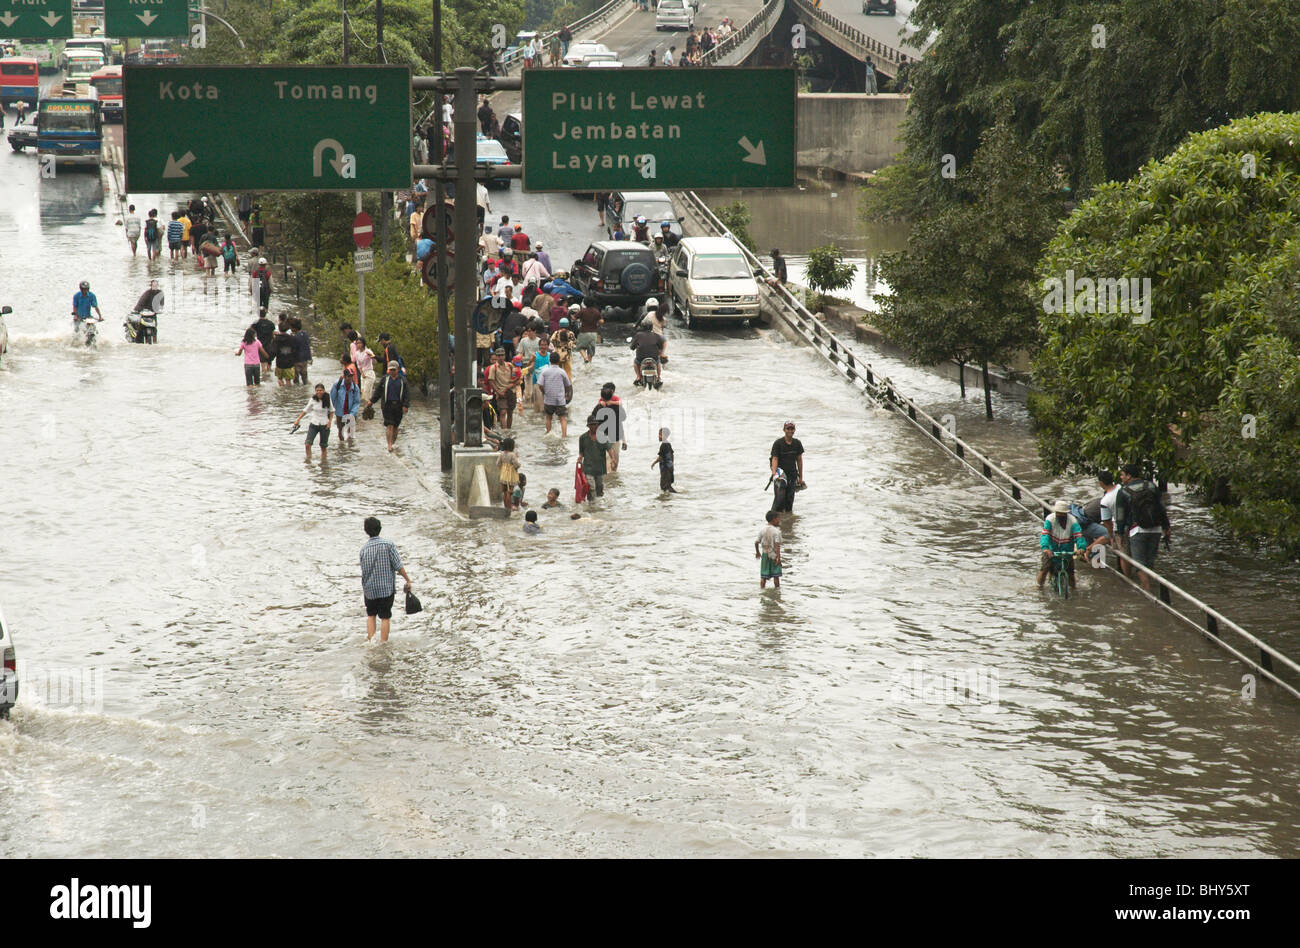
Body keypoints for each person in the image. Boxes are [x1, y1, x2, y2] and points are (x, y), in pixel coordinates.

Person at [1114, 463, 1172, 592]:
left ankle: (1146, 591)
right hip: (1156, 529)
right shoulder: (1151, 486)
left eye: (1122, 475)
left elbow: (1120, 515)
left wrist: (1119, 533)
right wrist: (1166, 526)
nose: (1121, 478)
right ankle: (1149, 588)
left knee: (1139, 563)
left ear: (1129, 476)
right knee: (1150, 561)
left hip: (1137, 530)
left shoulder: (1123, 491)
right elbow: (1161, 508)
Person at [359, 517, 413, 643]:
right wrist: (408, 580)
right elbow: (398, 566)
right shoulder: (388, 545)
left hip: (369, 589)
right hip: (385, 589)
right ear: (380, 529)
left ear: (366, 531)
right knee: (385, 617)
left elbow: (364, 570)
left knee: (371, 615)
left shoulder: (363, 549)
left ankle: (371, 641)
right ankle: (383, 643)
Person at [1036, 499, 1086, 590]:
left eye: (1062, 514)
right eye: (1058, 513)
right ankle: (1039, 587)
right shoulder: (1050, 520)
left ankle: (1074, 589)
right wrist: (1045, 548)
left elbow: (1078, 535)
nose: (1060, 516)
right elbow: (1045, 534)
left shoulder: (1073, 521)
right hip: (1051, 548)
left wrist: (1081, 547)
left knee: (1070, 573)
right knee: (1044, 569)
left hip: (1067, 549)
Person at [365, 361, 410, 452]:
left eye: (394, 369)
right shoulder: (385, 380)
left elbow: (407, 394)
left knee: (396, 426)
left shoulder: (403, 380)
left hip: (398, 405)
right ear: (388, 370)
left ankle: (393, 443)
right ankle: (389, 445)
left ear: (397, 370)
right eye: (390, 369)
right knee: (389, 425)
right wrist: (371, 401)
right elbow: (378, 392)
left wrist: (405, 405)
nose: (392, 371)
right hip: (387, 406)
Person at [292, 383, 334, 462]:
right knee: (307, 444)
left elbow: (332, 411)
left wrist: (330, 422)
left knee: (323, 446)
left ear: (324, 391)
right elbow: (306, 410)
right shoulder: (313, 399)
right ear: (315, 391)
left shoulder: (328, 398)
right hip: (314, 424)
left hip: (325, 424)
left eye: (321, 390)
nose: (319, 392)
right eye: (317, 390)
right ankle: (308, 460)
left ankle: (323, 463)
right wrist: (298, 419)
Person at [769, 422, 805, 511]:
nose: (790, 431)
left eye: (792, 429)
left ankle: (787, 521)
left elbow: (799, 460)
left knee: (789, 501)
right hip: (780, 476)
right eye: (788, 429)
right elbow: (775, 459)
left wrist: (800, 477)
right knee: (779, 499)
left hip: (792, 475)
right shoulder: (778, 443)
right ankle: (773, 518)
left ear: (794, 430)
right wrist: (774, 473)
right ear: (784, 430)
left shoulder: (797, 443)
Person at [593, 382, 627, 471]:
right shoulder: (618, 408)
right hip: (615, 437)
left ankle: (607, 481)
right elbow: (621, 422)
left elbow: (592, 423)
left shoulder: (598, 407)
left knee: (607, 460)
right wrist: (624, 440)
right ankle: (612, 481)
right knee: (614, 461)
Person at [486, 348, 522, 430]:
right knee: (503, 412)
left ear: (505, 356)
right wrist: (498, 392)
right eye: (498, 356)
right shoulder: (493, 368)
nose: (500, 357)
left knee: (510, 412)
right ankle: (504, 431)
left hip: (511, 391)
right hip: (501, 392)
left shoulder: (510, 365)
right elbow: (491, 381)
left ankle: (508, 430)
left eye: (502, 355)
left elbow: (517, 377)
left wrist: (512, 384)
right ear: (496, 356)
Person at [538, 351, 572, 437]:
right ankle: (564, 435)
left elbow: (540, 385)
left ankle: (549, 433)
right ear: (558, 361)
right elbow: (568, 385)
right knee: (562, 418)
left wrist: (544, 392)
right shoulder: (562, 372)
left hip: (549, 399)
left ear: (550, 360)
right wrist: (567, 394)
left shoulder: (545, 372)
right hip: (560, 399)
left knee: (548, 417)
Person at [578, 416, 611, 499]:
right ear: (588, 426)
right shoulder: (583, 438)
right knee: (591, 487)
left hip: (600, 468)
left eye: (595, 424)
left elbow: (609, 449)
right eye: (591, 425)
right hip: (588, 467)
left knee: (599, 488)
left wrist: (613, 459)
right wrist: (580, 458)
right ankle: (592, 506)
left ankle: (598, 507)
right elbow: (581, 451)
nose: (594, 427)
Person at [330, 369, 362, 445]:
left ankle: (350, 449)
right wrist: (330, 411)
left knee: (351, 431)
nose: (350, 378)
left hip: (351, 412)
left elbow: (357, 402)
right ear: (344, 376)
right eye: (348, 376)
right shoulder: (337, 385)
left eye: (351, 376)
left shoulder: (355, 387)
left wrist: (352, 413)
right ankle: (342, 448)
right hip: (339, 412)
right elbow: (332, 398)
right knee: (340, 432)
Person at [631, 320, 665, 386]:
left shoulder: (638, 335)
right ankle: (658, 377)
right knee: (658, 362)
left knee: (635, 362)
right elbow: (661, 347)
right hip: (654, 358)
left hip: (641, 359)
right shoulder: (657, 336)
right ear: (652, 327)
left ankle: (638, 377)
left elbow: (632, 347)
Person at [756, 511, 783, 588]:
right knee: (776, 576)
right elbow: (777, 545)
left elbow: (756, 542)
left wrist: (757, 552)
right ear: (774, 519)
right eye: (778, 519)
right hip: (774, 555)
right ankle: (777, 590)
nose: (779, 520)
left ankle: (762, 589)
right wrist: (778, 557)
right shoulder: (776, 531)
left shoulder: (762, 530)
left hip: (765, 555)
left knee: (763, 576)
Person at [497, 436, 521, 512]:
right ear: (511, 446)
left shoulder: (501, 454)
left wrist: (503, 468)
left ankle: (505, 507)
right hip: (511, 475)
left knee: (504, 491)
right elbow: (517, 465)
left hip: (503, 474)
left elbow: (497, 464)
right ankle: (509, 508)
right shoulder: (512, 455)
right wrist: (517, 459)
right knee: (509, 492)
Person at [652, 426, 677, 492]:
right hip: (669, 468)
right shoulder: (668, 444)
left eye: (660, 434)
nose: (659, 436)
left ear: (665, 436)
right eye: (659, 434)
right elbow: (672, 455)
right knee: (667, 485)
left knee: (664, 487)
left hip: (665, 469)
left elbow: (660, 457)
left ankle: (667, 499)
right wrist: (672, 466)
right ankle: (672, 498)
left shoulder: (663, 445)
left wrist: (654, 463)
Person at [291, 317, 311, 385]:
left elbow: (293, 349)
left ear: (294, 328)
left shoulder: (294, 337)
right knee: (305, 377)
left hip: (297, 360)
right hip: (305, 359)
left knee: (296, 379)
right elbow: (308, 343)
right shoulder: (305, 333)